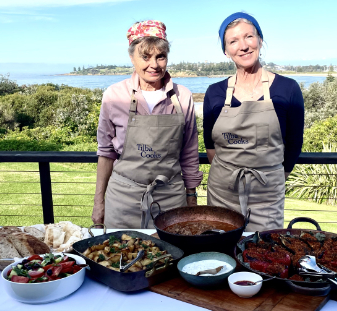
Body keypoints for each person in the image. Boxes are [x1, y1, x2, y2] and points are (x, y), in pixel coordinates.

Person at [92, 20, 203, 229]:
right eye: (145, 56)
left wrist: (191, 198)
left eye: (160, 56)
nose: (154, 64)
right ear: (131, 57)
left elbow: (189, 153)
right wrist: (99, 202)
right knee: (119, 256)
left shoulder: (183, 96)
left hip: (171, 199)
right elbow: (106, 153)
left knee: (172, 257)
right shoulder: (114, 95)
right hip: (123, 198)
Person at [203, 12, 304, 231]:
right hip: (222, 195)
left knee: (264, 258)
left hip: (267, 198)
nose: (243, 46)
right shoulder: (214, 92)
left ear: (260, 39)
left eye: (249, 36)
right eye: (233, 41)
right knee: (222, 255)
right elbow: (210, 147)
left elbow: (294, 144)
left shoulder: (288, 89)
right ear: (226, 51)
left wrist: (271, 180)